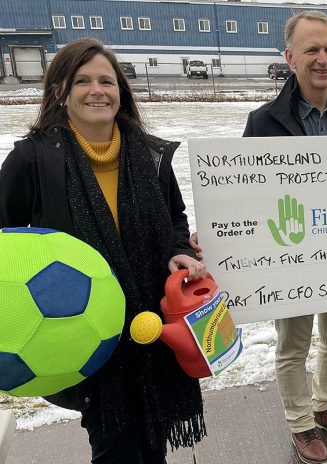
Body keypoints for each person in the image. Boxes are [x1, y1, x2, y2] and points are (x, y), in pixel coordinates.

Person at [0, 38, 207, 463]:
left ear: (121, 91)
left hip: (152, 324)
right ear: (60, 91)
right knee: (114, 445)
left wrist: (176, 250)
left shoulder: (151, 155)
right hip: (80, 330)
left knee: (154, 441)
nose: (98, 90)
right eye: (82, 80)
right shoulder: (32, 159)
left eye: (107, 81)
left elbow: (174, 219)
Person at [243, 11, 327, 464]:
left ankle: (325, 406)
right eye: (312, 50)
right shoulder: (262, 123)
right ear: (290, 58)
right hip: (290, 251)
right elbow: (243, 191)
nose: (323, 59)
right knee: (293, 345)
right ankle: (301, 423)